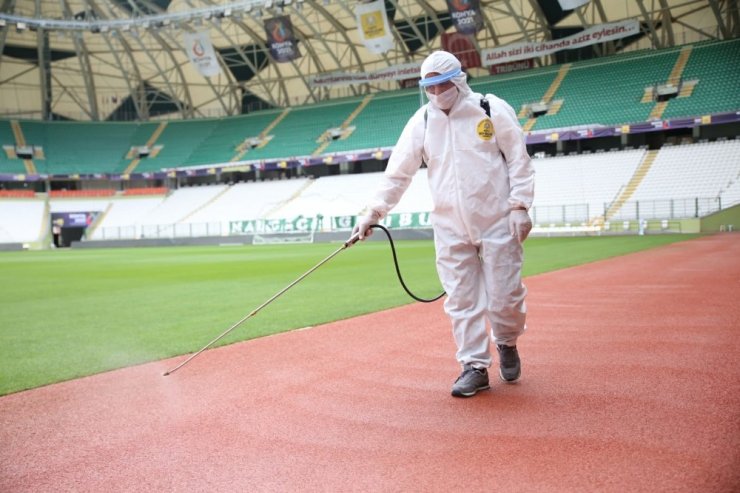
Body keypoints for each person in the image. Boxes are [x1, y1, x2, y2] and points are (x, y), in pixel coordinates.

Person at [352, 51, 535, 398]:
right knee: (461, 300)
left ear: (459, 79)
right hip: (449, 225)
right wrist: (373, 213)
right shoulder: (422, 121)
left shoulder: (489, 108)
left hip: (497, 220)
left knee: (505, 299)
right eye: (430, 87)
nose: (437, 94)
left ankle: (507, 342)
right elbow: (399, 173)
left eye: (442, 85)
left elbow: (518, 160)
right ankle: (474, 366)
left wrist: (520, 206)